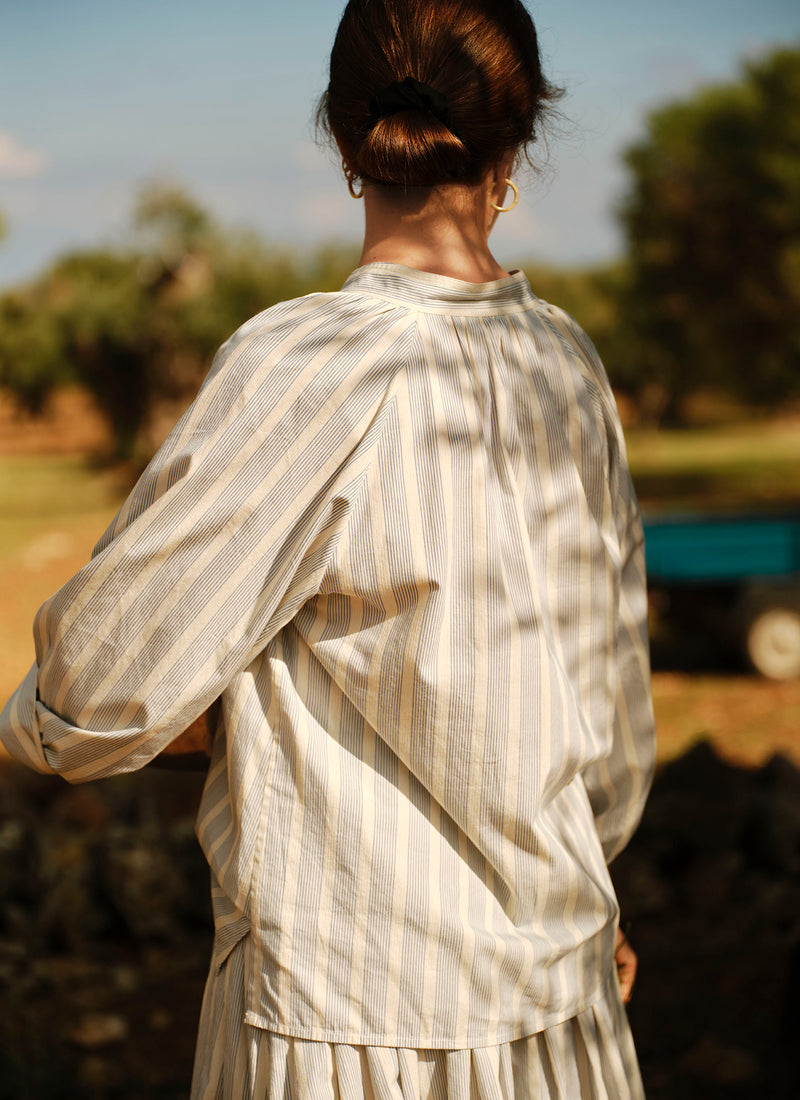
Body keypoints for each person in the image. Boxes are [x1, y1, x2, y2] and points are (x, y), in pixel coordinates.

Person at [0, 0, 656, 1095]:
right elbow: (610, 720)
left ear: (347, 141)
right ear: (518, 137)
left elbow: (96, 696)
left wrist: (65, 721)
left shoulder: (304, 366)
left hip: (347, 1023)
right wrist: (590, 892)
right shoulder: (565, 362)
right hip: (564, 1012)